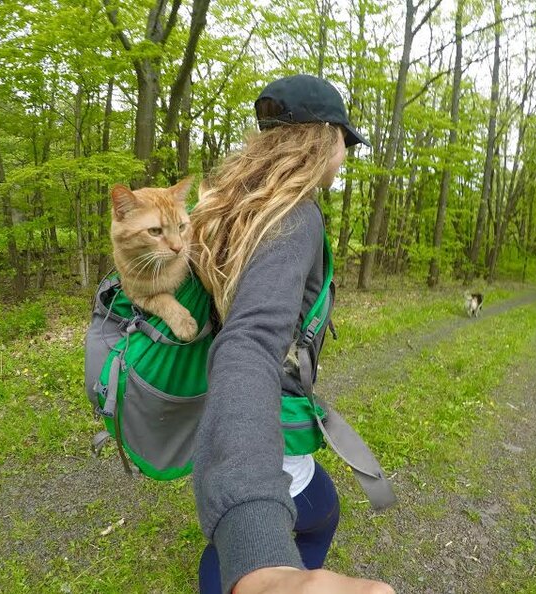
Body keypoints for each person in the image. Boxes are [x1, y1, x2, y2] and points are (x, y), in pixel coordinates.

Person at [190, 75, 396, 594]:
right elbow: (249, 341)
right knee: (313, 513)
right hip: (261, 417)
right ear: (324, 138)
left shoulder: (237, 205)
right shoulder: (295, 217)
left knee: (307, 514)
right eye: (344, 142)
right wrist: (265, 562)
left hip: (222, 408)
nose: (345, 156)